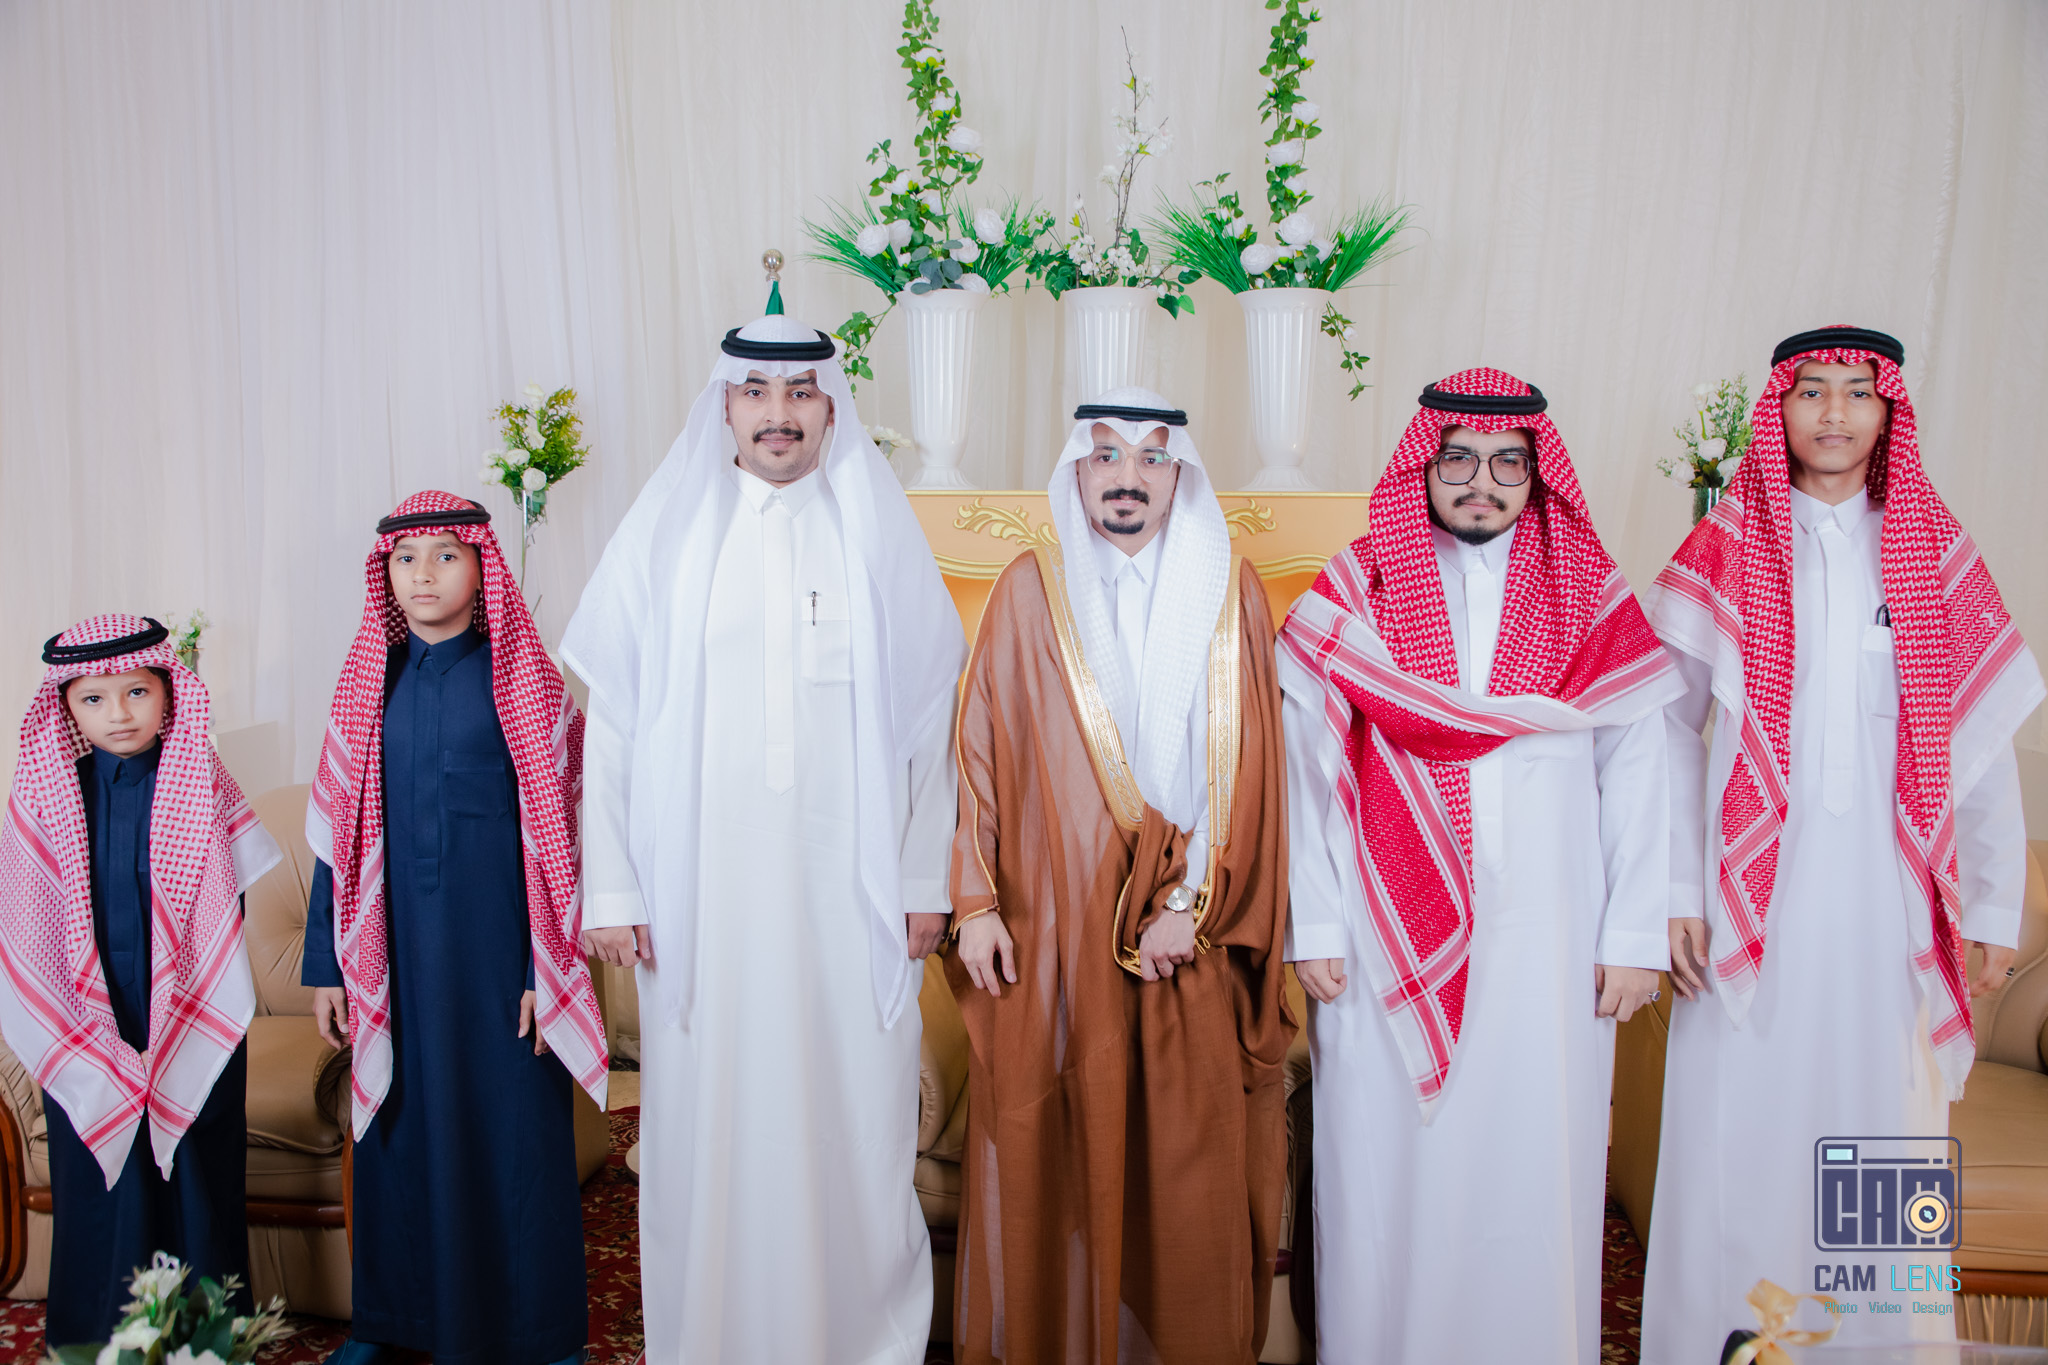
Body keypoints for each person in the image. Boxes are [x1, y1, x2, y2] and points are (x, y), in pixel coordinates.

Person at [562, 297, 963, 1365]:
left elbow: (932, 727)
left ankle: (860, 1344)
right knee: (709, 1126)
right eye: (754, 391)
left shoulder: (875, 534)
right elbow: (614, 726)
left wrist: (923, 880)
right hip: (702, 899)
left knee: (853, 1117)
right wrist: (615, 887)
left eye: (799, 392)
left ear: (832, 409)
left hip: (851, 898)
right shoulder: (666, 536)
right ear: (724, 406)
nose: (777, 412)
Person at [1639, 327, 2043, 1356]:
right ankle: (1726, 1343)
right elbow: (1663, 736)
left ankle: (1876, 1347)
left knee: (1882, 1129)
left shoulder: (1934, 555)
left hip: (1887, 917)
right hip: (1745, 912)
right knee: (1736, 1131)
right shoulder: (1722, 550)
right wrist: (1675, 891)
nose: (1831, 412)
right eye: (1810, 390)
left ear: (1886, 410)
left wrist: (1994, 906)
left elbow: (1978, 746)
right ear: (1776, 408)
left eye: (1856, 392)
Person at [1279, 369, 1685, 1364]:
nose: (1480, 482)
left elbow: (1641, 767)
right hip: (1383, 930)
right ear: (1422, 466)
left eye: (1507, 463)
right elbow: (1305, 764)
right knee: (1389, 1169)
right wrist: (1316, 922)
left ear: (1537, 475)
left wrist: (1634, 935)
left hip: (1552, 936)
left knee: (1532, 1168)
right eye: (1457, 458)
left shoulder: (1588, 591)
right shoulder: (1359, 589)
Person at [948, 390, 1294, 1364]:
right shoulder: (1030, 588)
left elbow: (1254, 770)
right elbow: (978, 748)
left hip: (1190, 938)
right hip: (1054, 933)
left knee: (1187, 1165)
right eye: (1106, 456)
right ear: (1077, 469)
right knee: (1060, 1153)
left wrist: (1191, 904)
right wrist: (976, 902)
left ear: (1179, 474)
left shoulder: (1230, 591)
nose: (1127, 478)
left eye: (1150, 457)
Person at [304, 491, 605, 1365]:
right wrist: (327, 962)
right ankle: (388, 1321)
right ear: (385, 573)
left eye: (445, 555)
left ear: (481, 566)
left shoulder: (525, 682)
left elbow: (566, 839)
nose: (423, 574)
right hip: (394, 960)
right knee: (397, 1132)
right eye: (405, 559)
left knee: (517, 1139)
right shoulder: (369, 685)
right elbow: (335, 835)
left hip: (501, 963)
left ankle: (543, 1333)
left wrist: (546, 969)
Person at [0, 614, 280, 1346]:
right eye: (93, 699)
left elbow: (220, 913)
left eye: (136, 692)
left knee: (195, 1171)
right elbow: (29, 918)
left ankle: (206, 1341)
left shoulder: (198, 782)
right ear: (66, 707)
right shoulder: (48, 793)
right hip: (86, 1016)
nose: (118, 713)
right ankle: (98, 1339)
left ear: (167, 692)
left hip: (188, 1008)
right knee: (102, 1175)